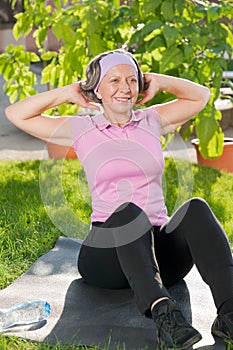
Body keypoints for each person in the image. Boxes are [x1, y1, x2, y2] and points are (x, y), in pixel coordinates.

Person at [5, 49, 233, 350]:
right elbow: (16, 114)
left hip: (161, 256)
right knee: (129, 212)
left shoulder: (152, 120)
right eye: (113, 80)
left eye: (131, 79)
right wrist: (69, 92)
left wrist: (158, 81)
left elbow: (200, 96)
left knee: (196, 209)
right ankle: (164, 316)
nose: (124, 87)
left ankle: (229, 313)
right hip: (107, 255)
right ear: (96, 89)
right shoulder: (82, 129)